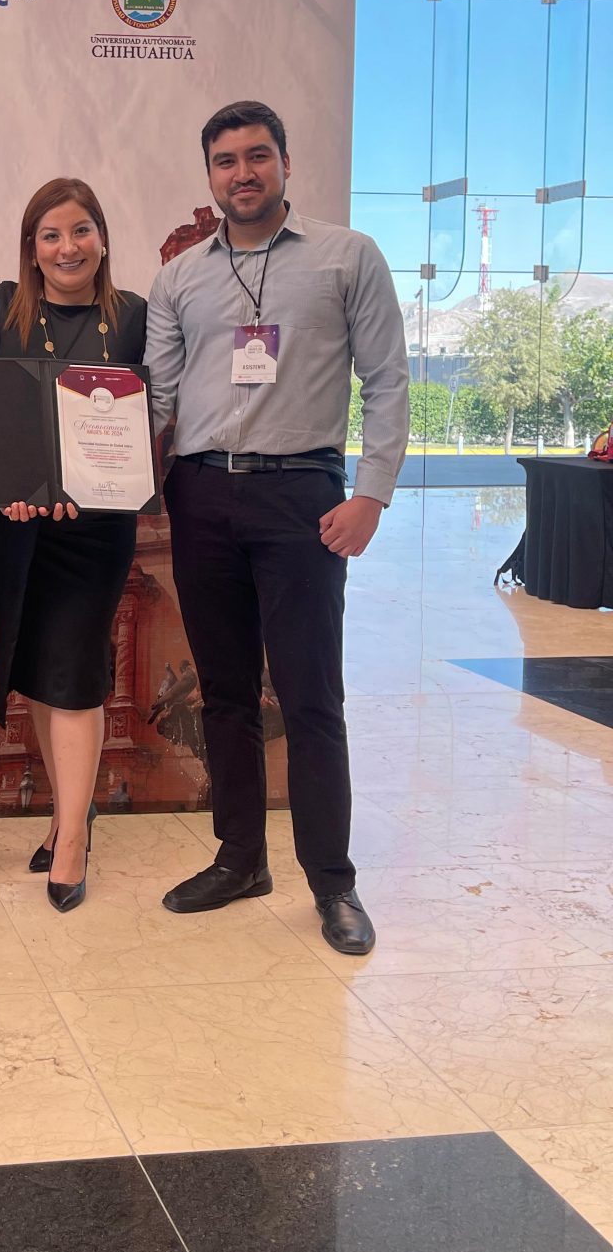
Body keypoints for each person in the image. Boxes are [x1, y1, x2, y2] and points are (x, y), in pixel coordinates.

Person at [145, 101, 409, 956]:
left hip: (303, 497)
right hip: (201, 495)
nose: (243, 173)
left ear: (286, 163)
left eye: (258, 156)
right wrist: (91, 465)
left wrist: (372, 494)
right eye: (226, 161)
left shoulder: (347, 257)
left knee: (309, 696)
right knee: (224, 693)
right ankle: (240, 859)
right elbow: (154, 397)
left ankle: (333, 882)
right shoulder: (180, 278)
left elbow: (388, 379)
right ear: (209, 176)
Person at [0, 178, 147, 913]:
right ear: (32, 247)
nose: (66, 247)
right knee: (39, 675)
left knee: (73, 674)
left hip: (96, 531)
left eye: (80, 231)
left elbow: (156, 411)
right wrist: (0, 486)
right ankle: (64, 811)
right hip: (19, 529)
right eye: (50, 235)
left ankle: (73, 839)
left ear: (102, 238)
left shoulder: (134, 317)